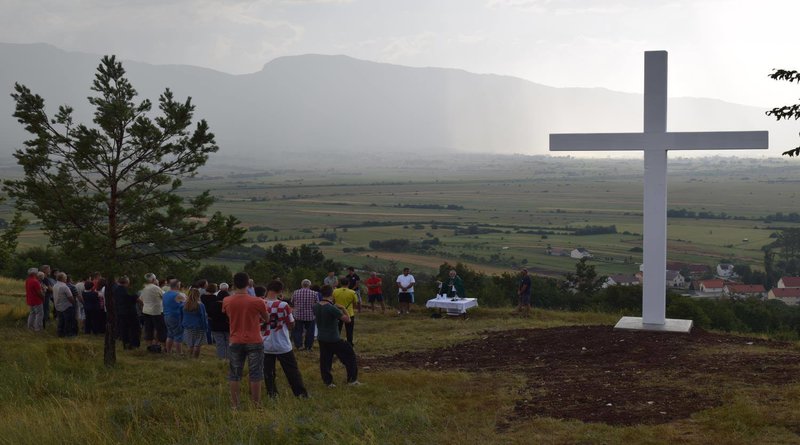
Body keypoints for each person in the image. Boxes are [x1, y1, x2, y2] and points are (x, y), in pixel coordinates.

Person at [222, 272, 268, 409]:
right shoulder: (257, 301)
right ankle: (256, 405)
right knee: (256, 373)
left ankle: (235, 405)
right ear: (248, 283)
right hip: (254, 339)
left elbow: (228, 316)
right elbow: (266, 318)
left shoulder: (227, 300)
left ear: (234, 283)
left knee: (235, 374)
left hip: (235, 339)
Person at [262, 280, 308, 398]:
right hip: (281, 342)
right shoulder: (283, 305)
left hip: (265, 342)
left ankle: (272, 394)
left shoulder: (260, 303)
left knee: (268, 371)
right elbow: (291, 324)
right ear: (280, 291)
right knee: (292, 370)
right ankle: (300, 394)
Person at [314, 285, 359, 387]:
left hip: (321, 337)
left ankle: (328, 382)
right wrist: (343, 308)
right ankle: (352, 380)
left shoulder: (315, 306)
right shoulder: (331, 308)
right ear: (331, 294)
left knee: (325, 360)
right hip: (333, 338)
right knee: (349, 355)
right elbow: (348, 320)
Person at [203, 283, 230, 359]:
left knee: (219, 343)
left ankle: (221, 358)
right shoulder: (229, 305)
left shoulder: (213, 304)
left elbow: (210, 315)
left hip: (216, 326)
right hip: (227, 326)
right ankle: (228, 358)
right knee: (228, 342)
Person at [140, 273, 166, 352]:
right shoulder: (156, 288)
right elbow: (164, 296)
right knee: (160, 329)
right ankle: (161, 346)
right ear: (154, 280)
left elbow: (140, 299)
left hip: (146, 310)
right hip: (156, 311)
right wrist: (158, 285)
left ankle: (149, 345)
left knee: (148, 328)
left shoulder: (144, 287)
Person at [290, 279, 318, 351]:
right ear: (309, 285)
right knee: (310, 332)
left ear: (302, 285)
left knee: (298, 331)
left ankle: (299, 346)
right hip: (310, 315)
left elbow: (292, 303)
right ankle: (308, 347)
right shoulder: (314, 293)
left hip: (298, 315)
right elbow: (317, 304)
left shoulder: (295, 292)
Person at [114, 276, 141, 349]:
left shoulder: (116, 290)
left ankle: (125, 343)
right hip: (130, 312)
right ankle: (134, 344)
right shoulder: (129, 290)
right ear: (127, 282)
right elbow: (137, 299)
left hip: (120, 311)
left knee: (124, 328)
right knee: (134, 328)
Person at [181, 288, 208, 359]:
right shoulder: (200, 305)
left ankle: (190, 358)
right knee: (197, 345)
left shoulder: (184, 304)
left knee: (190, 344)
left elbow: (181, 315)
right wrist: (206, 327)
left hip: (187, 326)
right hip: (199, 327)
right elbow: (203, 317)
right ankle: (195, 358)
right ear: (198, 295)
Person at [162, 279, 186, 354]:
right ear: (177, 285)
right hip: (175, 316)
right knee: (178, 335)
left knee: (170, 334)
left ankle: (169, 351)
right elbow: (186, 303)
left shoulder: (165, 294)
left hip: (166, 315)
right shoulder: (178, 295)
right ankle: (180, 353)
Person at [332, 278, 358, 346]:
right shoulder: (352, 292)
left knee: (337, 329)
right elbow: (355, 303)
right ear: (348, 283)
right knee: (349, 330)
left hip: (338, 313)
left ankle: (335, 342)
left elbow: (333, 302)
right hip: (349, 313)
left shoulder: (335, 291)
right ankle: (349, 343)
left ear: (340, 283)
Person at [53, 272, 77, 337]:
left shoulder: (55, 285)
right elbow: (70, 297)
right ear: (63, 278)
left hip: (58, 306)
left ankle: (60, 333)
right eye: (65, 277)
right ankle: (69, 334)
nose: (66, 279)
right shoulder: (64, 287)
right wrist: (74, 303)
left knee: (61, 321)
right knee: (68, 321)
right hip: (66, 306)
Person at [25, 267, 44, 332]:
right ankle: (37, 328)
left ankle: (30, 327)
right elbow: (39, 292)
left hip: (30, 300)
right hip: (37, 300)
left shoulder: (28, 280)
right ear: (34, 273)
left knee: (32, 314)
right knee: (39, 314)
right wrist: (43, 297)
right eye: (37, 272)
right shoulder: (35, 281)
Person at [40, 265, 55, 329]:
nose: (50, 271)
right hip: (45, 296)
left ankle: (43, 323)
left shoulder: (41, 277)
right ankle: (44, 324)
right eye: (48, 269)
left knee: (45, 309)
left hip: (44, 296)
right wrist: (57, 290)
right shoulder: (45, 278)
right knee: (46, 309)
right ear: (44, 270)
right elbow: (49, 288)